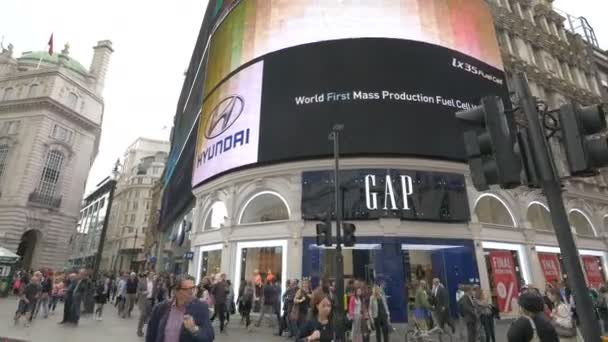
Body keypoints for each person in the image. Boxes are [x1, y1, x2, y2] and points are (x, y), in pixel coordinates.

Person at [145, 274, 214, 342]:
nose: (191, 292)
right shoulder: (160, 308)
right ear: (176, 291)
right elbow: (151, 334)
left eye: (193, 288)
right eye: (187, 289)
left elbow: (209, 337)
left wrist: (194, 329)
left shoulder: (201, 308)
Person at [137, 272, 157, 337]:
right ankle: (139, 330)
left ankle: (142, 328)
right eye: (151, 275)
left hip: (150, 300)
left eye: (153, 275)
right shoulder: (142, 281)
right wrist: (143, 292)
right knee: (143, 315)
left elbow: (155, 291)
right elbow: (138, 290)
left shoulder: (154, 282)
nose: (152, 276)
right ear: (148, 275)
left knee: (147, 316)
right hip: (143, 300)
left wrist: (155, 298)